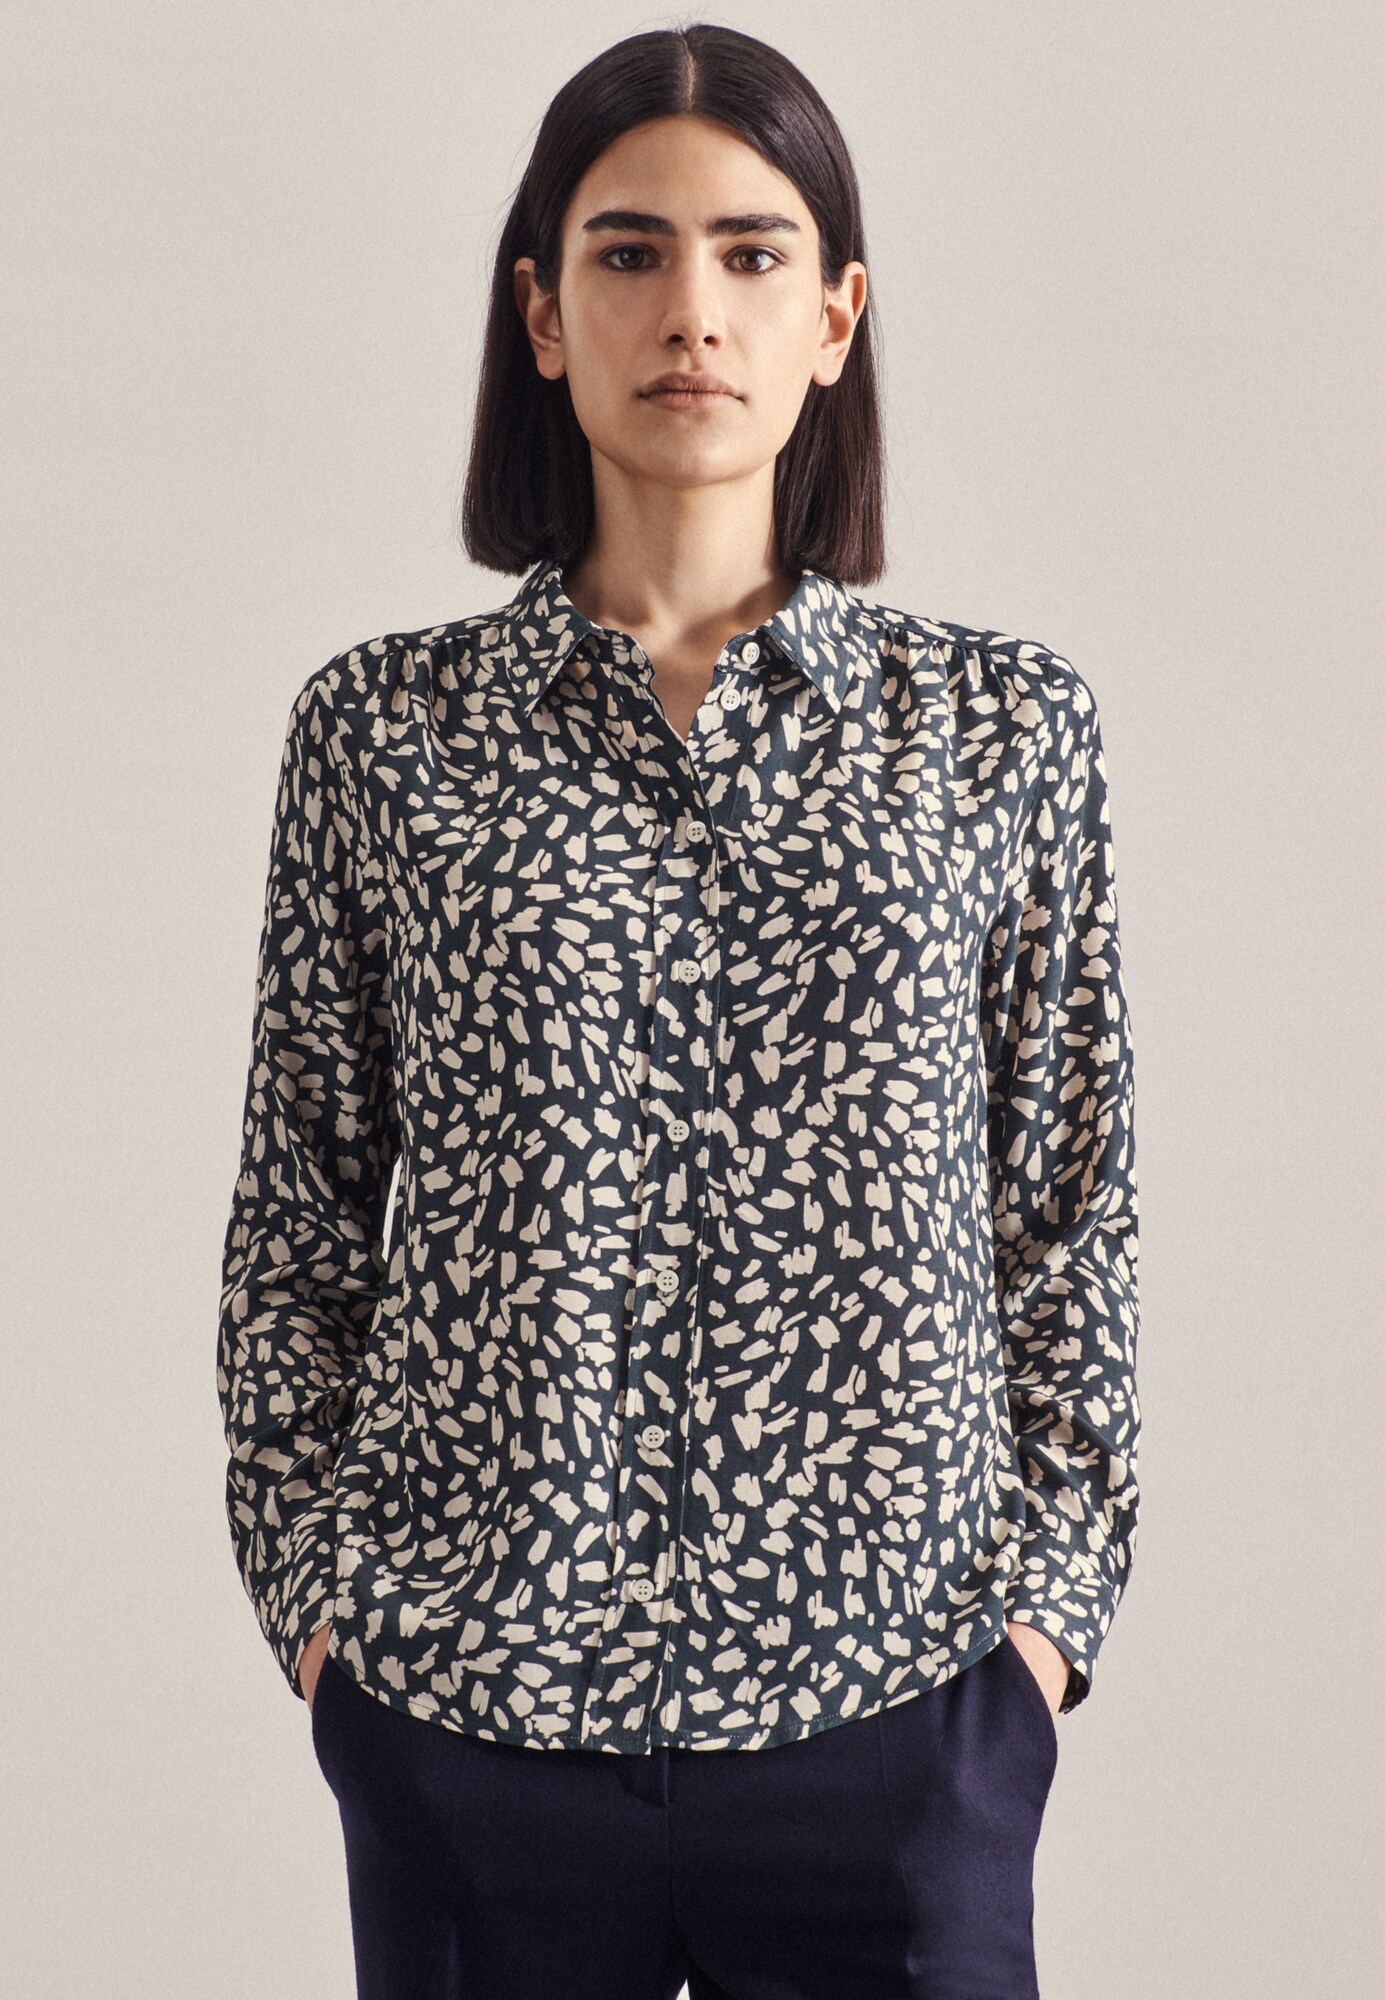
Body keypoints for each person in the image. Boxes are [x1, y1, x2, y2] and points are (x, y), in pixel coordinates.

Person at [217, 20, 1141, 1999]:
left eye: (751, 252)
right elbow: (300, 1218)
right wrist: (328, 1615)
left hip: (899, 1708)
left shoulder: (997, 731)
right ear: (544, 316)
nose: (692, 310)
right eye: (629, 252)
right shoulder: (383, 733)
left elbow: (1068, 1209)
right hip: (475, 1712)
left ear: (835, 317)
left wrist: (1039, 1635)